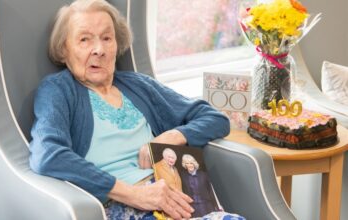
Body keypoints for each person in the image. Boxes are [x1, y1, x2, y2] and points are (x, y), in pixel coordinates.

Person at [29, 0, 230, 219]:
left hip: (178, 197)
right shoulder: (58, 90)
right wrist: (134, 194)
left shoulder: (138, 85)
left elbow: (215, 119)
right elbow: (47, 154)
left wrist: (172, 136)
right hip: (123, 205)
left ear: (117, 44)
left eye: (107, 38)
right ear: (64, 49)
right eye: (85, 40)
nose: (99, 50)